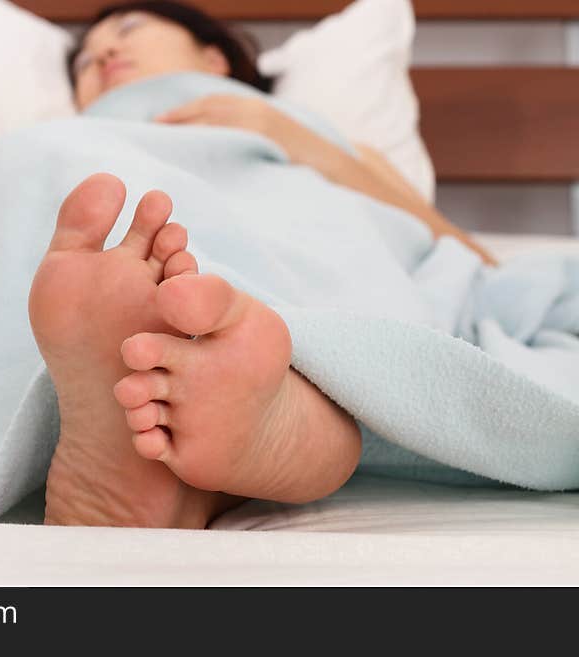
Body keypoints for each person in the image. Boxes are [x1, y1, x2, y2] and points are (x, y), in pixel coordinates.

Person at [28, 1, 494, 529]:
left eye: (129, 29)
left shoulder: (316, 135)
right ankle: (244, 432)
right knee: (43, 170)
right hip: (82, 182)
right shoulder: (61, 139)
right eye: (85, 62)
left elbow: (465, 253)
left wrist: (287, 134)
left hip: (289, 238)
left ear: (213, 60)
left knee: (299, 343)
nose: (104, 52)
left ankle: (254, 413)